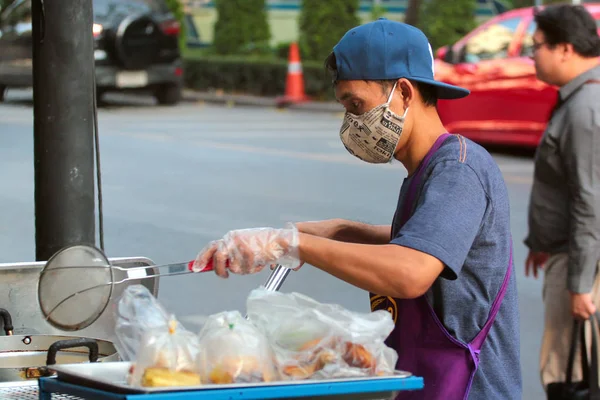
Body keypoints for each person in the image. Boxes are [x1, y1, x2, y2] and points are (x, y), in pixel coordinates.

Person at [193, 19, 522, 399]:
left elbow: (411, 271)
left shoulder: (458, 169)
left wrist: (293, 244)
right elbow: (432, 241)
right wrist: (334, 231)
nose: (352, 122)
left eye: (356, 105)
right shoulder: (430, 168)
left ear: (403, 91)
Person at [523, 3, 600, 391]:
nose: (531, 56)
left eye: (536, 46)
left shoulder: (586, 107)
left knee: (565, 374)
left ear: (565, 49)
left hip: (577, 259)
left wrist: (581, 283)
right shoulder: (580, 97)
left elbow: (590, 200)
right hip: (565, 251)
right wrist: (541, 242)